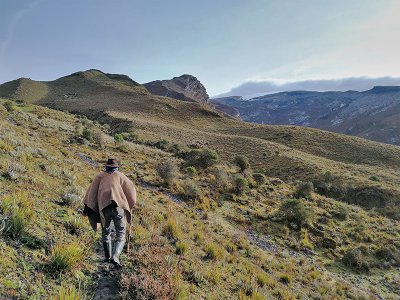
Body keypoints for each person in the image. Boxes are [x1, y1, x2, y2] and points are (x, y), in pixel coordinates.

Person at [83, 158, 137, 267]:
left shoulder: (100, 176)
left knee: (105, 231)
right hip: (118, 208)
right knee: (121, 233)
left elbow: (91, 192)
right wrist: (130, 203)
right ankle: (115, 256)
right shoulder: (120, 176)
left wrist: (87, 207)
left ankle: (107, 257)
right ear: (116, 167)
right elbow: (131, 190)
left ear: (106, 166)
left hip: (104, 208)